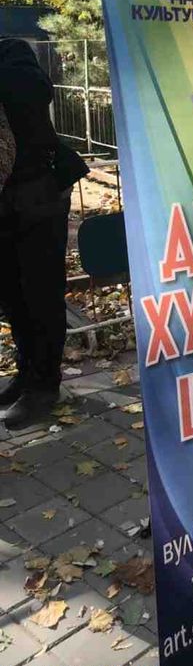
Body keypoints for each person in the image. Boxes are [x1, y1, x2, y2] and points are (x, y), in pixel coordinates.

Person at [0, 38, 88, 430]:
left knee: (41, 293)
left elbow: (35, 92)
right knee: (12, 296)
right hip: (4, 202)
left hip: (38, 195)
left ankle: (45, 385)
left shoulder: (11, 52)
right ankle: (26, 374)